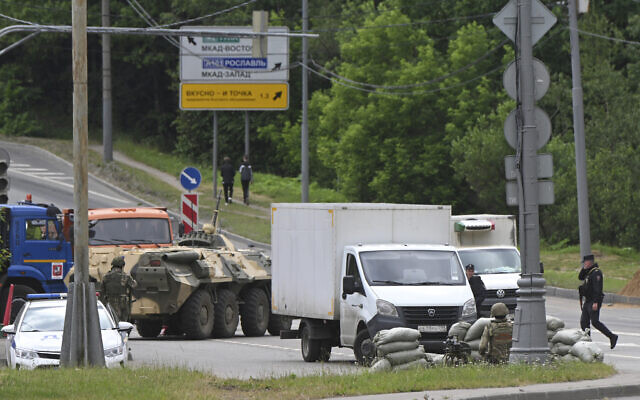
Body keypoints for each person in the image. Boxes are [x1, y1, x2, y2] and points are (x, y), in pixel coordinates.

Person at [579, 254, 618, 349]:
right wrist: (584, 269)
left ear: (589, 262)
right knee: (584, 322)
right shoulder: (589, 271)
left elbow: (598, 289)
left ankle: (612, 336)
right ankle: (587, 341)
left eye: (585, 262)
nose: (584, 264)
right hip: (588, 300)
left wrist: (596, 302)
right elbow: (580, 277)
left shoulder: (596, 273)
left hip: (594, 300)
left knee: (595, 322)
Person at [99, 256, 137, 322]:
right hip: (123, 303)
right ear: (122, 265)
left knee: (112, 321)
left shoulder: (106, 276)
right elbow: (134, 285)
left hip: (110, 303)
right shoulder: (126, 276)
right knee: (123, 323)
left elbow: (102, 290)